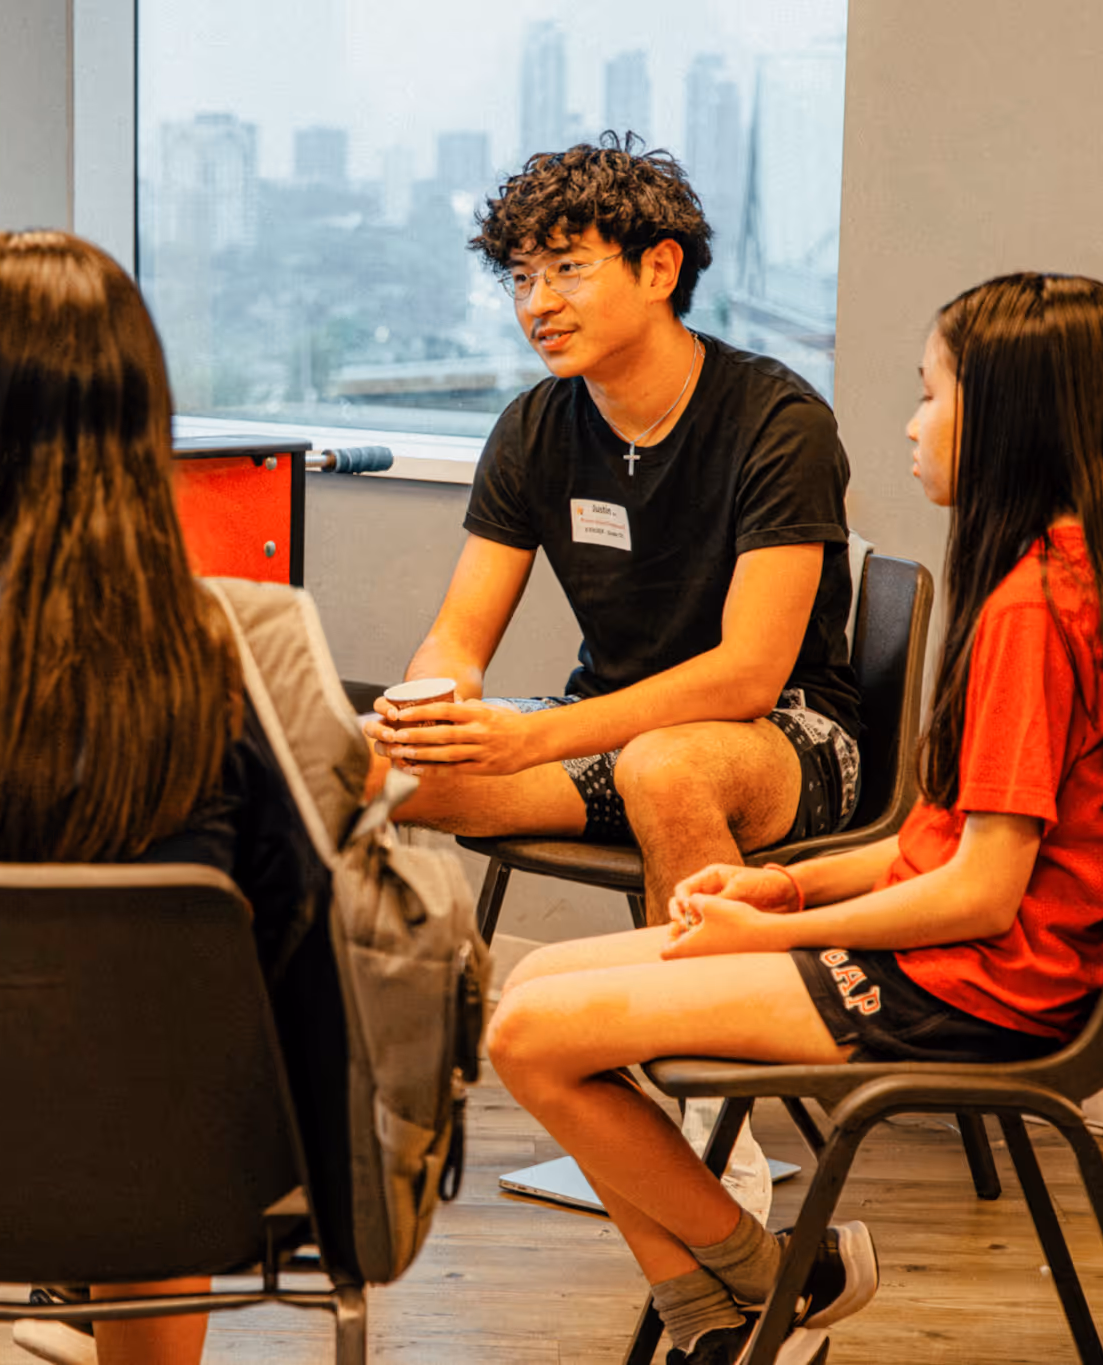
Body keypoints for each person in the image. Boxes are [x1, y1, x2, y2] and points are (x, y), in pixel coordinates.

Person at [482, 272, 1103, 1364]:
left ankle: (767, 1288)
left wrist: (767, 932)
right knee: (531, 984)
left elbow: (979, 891)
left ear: (1003, 417)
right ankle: (735, 1321)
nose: (910, 425)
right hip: (970, 963)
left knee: (526, 1033)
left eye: (928, 395)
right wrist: (778, 886)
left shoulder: (1033, 609)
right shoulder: (1084, 565)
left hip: (982, 988)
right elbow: (934, 840)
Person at [0, 230, 323, 1365]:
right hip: (188, 1181)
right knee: (165, 1060)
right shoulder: (223, 668)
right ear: (139, 416)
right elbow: (285, 953)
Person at [362, 132, 862, 1215]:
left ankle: (704, 1128)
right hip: (609, 735)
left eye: (566, 267)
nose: (536, 300)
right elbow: (459, 636)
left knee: (666, 769)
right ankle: (353, 1077)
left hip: (789, 735)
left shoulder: (775, 421)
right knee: (362, 767)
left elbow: (745, 672)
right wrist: (430, 709)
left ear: (658, 268)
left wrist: (533, 735)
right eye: (520, 276)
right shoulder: (537, 426)